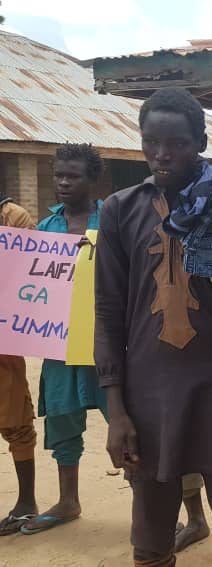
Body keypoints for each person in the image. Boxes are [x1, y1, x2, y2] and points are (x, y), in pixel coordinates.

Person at [94, 87, 212, 566]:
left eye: (177, 143)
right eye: (151, 141)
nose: (162, 154)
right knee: (150, 540)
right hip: (148, 395)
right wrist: (117, 410)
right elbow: (107, 311)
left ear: (202, 142)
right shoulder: (119, 210)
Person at [18, 144, 107, 535]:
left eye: (73, 175)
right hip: (58, 342)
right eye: (59, 175)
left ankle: (155, 510)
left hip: (106, 341)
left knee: (128, 419)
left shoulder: (112, 221)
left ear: (92, 179)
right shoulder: (44, 229)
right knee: (61, 416)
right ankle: (68, 500)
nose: (64, 182)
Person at [0, 193, 37, 536]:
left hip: (3, 345)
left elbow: (27, 272)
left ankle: (26, 502)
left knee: (15, 421)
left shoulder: (13, 217)